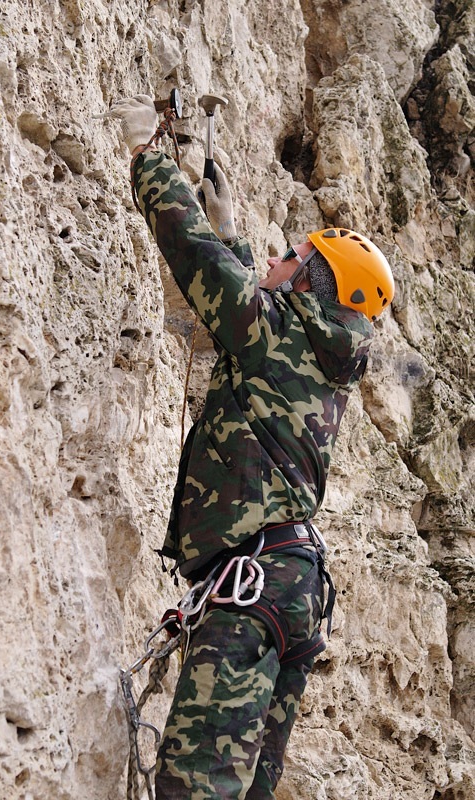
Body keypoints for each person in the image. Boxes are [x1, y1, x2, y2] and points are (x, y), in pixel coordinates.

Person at [112, 95, 395, 799]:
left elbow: (198, 258)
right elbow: (250, 301)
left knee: (197, 786)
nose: (275, 257)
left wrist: (147, 156)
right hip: (291, 590)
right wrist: (233, 229)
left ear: (311, 282)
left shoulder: (273, 331)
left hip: (255, 587)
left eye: (291, 256)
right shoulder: (321, 357)